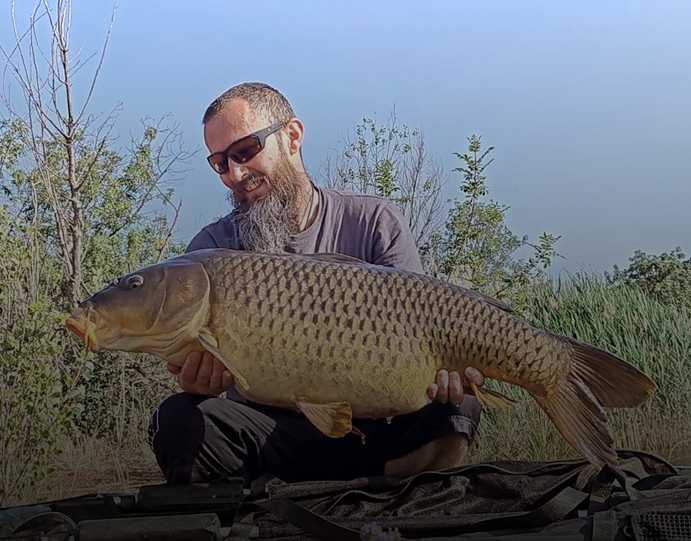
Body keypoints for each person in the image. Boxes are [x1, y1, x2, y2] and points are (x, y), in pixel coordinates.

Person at [148, 82, 484, 485]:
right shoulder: (211, 251)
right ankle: (372, 485)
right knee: (178, 420)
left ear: (292, 137)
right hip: (272, 430)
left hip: (376, 424)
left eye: (245, 151)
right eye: (220, 163)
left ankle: (362, 483)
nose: (234, 174)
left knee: (459, 403)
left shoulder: (374, 221)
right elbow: (195, 372)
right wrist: (199, 386)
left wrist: (445, 373)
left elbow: (426, 327)